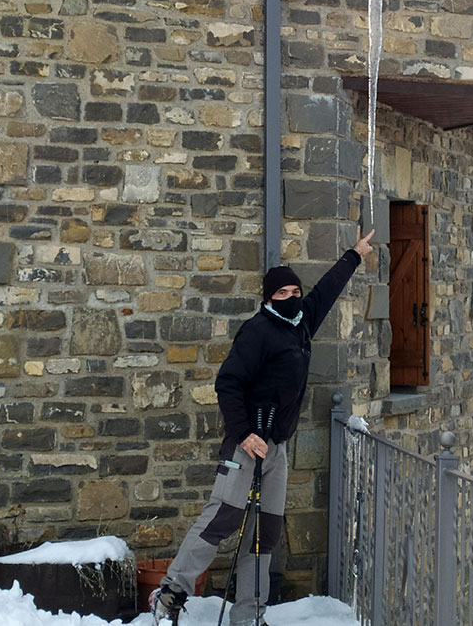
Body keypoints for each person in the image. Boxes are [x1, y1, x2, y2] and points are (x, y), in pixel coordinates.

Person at [151, 229, 376, 626]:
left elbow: (326, 291)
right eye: (283, 293)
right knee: (221, 521)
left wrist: (353, 255)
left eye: (294, 292)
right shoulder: (258, 331)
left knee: (264, 533)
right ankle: (169, 594)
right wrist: (245, 433)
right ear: (269, 298)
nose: (291, 298)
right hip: (246, 445)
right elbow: (228, 384)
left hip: (277, 449)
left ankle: (249, 616)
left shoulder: (301, 324)